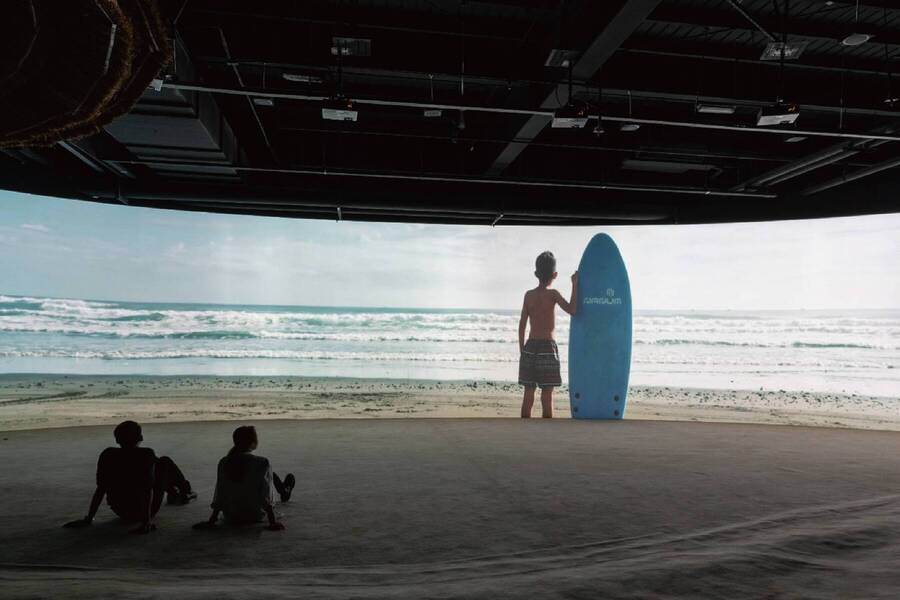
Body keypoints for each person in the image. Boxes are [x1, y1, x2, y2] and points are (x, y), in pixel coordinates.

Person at [63, 420, 197, 534]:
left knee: (157, 464)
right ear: (140, 438)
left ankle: (174, 492)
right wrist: (146, 522)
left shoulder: (108, 454)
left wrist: (89, 518)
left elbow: (101, 488)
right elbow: (147, 489)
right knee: (164, 461)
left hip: (120, 509)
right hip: (142, 512)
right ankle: (185, 491)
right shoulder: (146, 454)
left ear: (117, 439)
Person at [194, 425, 294, 531]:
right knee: (270, 476)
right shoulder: (262, 462)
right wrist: (272, 522)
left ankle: (284, 490)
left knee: (265, 475)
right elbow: (265, 494)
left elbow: (221, 492)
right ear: (253, 442)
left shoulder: (224, 462)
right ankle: (284, 491)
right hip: (255, 515)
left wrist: (212, 520)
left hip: (231, 516)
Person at [518, 251, 577, 418]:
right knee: (547, 395)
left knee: (528, 393)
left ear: (536, 273)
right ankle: (546, 429)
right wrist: (575, 284)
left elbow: (522, 326)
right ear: (555, 275)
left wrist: (522, 350)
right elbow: (572, 310)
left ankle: (523, 428)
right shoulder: (553, 294)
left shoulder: (528, 295)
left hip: (530, 347)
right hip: (547, 348)